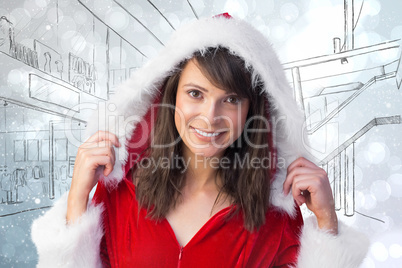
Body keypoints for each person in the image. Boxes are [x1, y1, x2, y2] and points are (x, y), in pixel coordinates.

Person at [31, 14, 369, 267]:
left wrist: (327, 225)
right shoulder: (120, 193)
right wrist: (78, 198)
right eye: (196, 93)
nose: (210, 117)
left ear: (254, 111)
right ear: (170, 96)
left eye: (232, 99)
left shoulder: (276, 218)